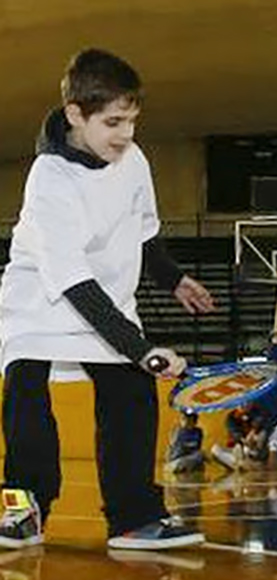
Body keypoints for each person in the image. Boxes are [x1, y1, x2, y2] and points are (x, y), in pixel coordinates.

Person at [0, 49, 215, 550]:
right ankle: (20, 512)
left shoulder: (133, 160)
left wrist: (174, 279)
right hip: (40, 299)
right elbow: (73, 283)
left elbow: (143, 234)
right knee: (27, 394)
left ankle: (134, 517)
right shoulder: (49, 179)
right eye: (113, 122)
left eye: (132, 121)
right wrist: (139, 346)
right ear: (76, 114)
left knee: (131, 395)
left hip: (108, 295)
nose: (125, 134)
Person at [164, 410, 204, 474]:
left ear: (195, 422)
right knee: (178, 464)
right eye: (183, 419)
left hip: (191, 458)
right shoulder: (178, 431)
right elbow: (171, 448)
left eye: (189, 420)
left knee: (199, 457)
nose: (186, 422)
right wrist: (168, 460)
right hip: (178, 459)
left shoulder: (198, 432)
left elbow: (197, 448)